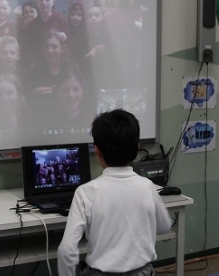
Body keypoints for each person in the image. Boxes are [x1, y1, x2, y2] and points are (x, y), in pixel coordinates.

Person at [57, 109, 171, 276]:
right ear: (137, 146)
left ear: (97, 151)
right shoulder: (147, 186)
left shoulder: (85, 192)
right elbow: (164, 226)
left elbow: (66, 250)